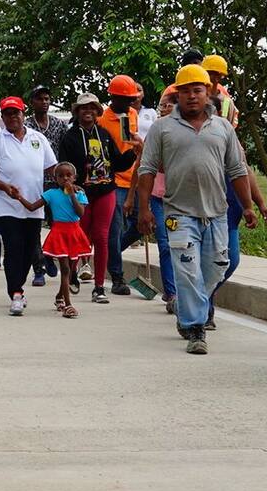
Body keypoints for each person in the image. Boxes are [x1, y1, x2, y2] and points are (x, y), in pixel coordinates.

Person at [136, 64, 257, 355]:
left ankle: (185, 305)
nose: (192, 96)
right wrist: (143, 210)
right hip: (178, 212)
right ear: (177, 95)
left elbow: (237, 170)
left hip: (217, 211)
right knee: (188, 271)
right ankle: (195, 327)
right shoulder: (162, 128)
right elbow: (147, 169)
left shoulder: (223, 128)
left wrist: (249, 206)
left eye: (198, 90)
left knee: (218, 267)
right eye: (186, 91)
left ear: (209, 93)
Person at [0, 96, 58, 316]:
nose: (12, 117)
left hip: (34, 205)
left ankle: (18, 287)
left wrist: (69, 184)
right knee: (14, 248)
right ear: (3, 117)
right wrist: (4, 187)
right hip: (7, 205)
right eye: (7, 114)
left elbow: (52, 167)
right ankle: (16, 293)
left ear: (23, 114)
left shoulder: (38, 139)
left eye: (16, 113)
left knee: (29, 250)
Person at [57, 93, 137, 304]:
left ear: (97, 112)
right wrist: (68, 184)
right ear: (77, 112)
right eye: (84, 108)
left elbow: (118, 163)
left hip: (106, 191)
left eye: (92, 108)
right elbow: (63, 166)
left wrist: (134, 152)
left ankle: (99, 286)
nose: (88, 112)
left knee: (102, 237)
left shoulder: (105, 134)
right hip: (80, 194)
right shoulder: (69, 137)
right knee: (80, 236)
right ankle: (72, 271)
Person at [19, 162, 89, 318]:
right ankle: (68, 305)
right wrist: (18, 197)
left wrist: (72, 194)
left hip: (74, 232)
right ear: (55, 178)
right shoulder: (51, 194)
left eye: (68, 175)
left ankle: (59, 296)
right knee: (64, 269)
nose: (65, 178)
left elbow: (80, 213)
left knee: (71, 270)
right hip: (59, 232)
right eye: (61, 176)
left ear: (74, 177)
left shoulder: (79, 194)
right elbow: (32, 207)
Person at [99, 74, 143, 296]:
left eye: (132, 99)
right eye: (126, 100)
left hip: (135, 179)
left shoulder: (133, 114)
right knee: (115, 229)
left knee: (141, 224)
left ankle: (108, 254)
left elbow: (133, 143)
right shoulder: (101, 120)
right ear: (113, 97)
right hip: (113, 182)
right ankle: (117, 276)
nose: (130, 104)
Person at [27, 86, 67, 287]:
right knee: (34, 228)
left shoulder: (59, 125)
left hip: (56, 185)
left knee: (57, 225)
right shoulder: (26, 126)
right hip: (35, 184)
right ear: (32, 102)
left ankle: (49, 255)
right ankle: (38, 268)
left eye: (47, 98)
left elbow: (65, 151)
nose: (44, 102)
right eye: (39, 98)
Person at [147, 86, 179, 312]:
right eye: (163, 105)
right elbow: (145, 166)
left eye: (170, 104)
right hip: (159, 199)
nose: (166, 108)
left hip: (181, 199)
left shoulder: (187, 130)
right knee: (165, 244)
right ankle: (171, 293)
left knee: (180, 245)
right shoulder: (156, 131)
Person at [201, 55, 239, 127]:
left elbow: (225, 125)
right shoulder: (196, 98)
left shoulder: (225, 102)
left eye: (209, 73)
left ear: (219, 77)